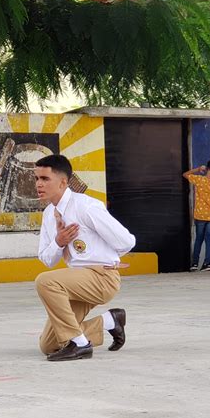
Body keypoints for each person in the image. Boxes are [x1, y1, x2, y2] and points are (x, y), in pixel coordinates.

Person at [34, 154, 136, 362]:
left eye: (45, 179)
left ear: (63, 182)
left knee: (45, 281)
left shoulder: (86, 207)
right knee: (49, 345)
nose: (39, 184)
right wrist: (59, 242)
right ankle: (110, 321)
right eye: (36, 178)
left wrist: (110, 260)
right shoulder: (48, 214)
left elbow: (126, 240)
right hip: (76, 281)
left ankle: (80, 345)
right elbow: (47, 259)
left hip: (101, 278)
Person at [183, 159, 210, 272]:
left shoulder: (199, 179)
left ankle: (194, 263)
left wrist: (198, 169)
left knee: (199, 239)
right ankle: (207, 264)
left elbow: (185, 174)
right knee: (209, 239)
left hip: (200, 215)